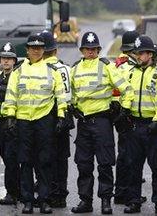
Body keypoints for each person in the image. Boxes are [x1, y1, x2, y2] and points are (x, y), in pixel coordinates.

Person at [70, 32, 133, 215]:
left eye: (94, 49)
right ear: (82, 50)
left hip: (102, 121)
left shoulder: (107, 67)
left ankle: (106, 201)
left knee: (105, 164)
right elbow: (70, 93)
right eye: (87, 49)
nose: (90, 52)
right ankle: (85, 201)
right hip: (83, 122)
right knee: (83, 164)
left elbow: (126, 89)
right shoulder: (75, 68)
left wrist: (124, 110)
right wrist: (72, 106)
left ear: (98, 49)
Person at [3, 34, 67, 214]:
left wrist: (61, 116)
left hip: (44, 119)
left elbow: (60, 95)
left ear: (43, 50)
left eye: (39, 48)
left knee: (45, 161)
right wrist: (10, 117)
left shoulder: (51, 70)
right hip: (23, 121)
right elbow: (11, 96)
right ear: (27, 50)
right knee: (25, 162)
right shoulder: (18, 72)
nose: (36, 50)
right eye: (33, 48)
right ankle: (28, 201)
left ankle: (44, 200)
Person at [124, 35, 157, 215]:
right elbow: (126, 95)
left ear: (150, 54)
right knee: (133, 166)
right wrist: (124, 111)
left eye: (143, 53)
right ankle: (134, 201)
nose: (139, 56)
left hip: (153, 127)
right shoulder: (131, 73)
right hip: (135, 125)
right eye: (137, 53)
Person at [40, 30, 74, 209]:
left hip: (46, 116)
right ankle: (61, 195)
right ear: (55, 50)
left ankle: (49, 193)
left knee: (46, 158)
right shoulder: (67, 68)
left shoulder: (40, 69)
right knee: (62, 158)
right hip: (65, 117)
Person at [112, 31, 139, 205]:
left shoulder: (119, 62)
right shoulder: (128, 65)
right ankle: (125, 193)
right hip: (127, 113)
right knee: (129, 155)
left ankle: (121, 192)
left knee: (124, 153)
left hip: (120, 113)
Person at [0, 42, 19, 205]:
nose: (6, 62)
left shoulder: (18, 77)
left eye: (9, 59)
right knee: (5, 156)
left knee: (12, 158)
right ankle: (16, 190)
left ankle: (13, 192)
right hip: (1, 123)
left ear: (14, 61)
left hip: (15, 123)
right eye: (3, 58)